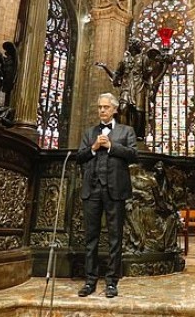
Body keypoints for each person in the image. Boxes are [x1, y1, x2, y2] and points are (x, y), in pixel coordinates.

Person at [76, 93, 138, 298]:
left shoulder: (126, 131)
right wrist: (93, 148)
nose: (102, 110)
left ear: (114, 110)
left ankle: (111, 281)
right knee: (91, 237)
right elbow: (79, 157)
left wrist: (111, 146)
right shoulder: (89, 133)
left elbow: (133, 155)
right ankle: (90, 280)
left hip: (115, 190)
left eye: (105, 107)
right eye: (99, 107)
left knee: (115, 237)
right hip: (92, 189)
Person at [95, 37, 171, 140]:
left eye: (133, 44)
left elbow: (148, 74)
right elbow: (116, 76)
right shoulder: (124, 60)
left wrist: (161, 65)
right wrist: (105, 68)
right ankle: (122, 134)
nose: (131, 46)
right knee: (122, 108)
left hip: (139, 87)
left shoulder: (144, 58)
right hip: (126, 88)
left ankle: (138, 135)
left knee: (139, 111)